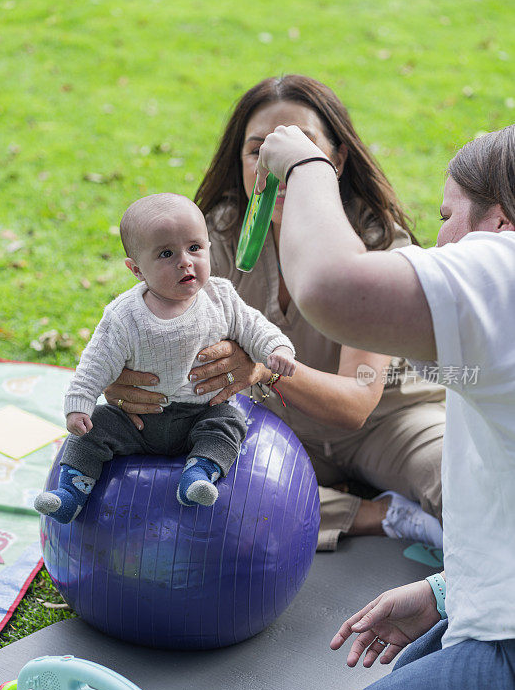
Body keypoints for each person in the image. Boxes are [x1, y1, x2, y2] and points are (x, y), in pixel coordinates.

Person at [255, 122, 515, 690]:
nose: (442, 239)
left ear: (501, 226)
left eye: (448, 216)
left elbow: (332, 287)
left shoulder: (505, 267)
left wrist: (306, 164)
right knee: (407, 674)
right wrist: (451, 592)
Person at [104, 76, 445, 550]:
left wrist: (262, 369)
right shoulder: (211, 241)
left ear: (336, 161)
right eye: (257, 150)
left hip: (392, 420)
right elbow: (141, 335)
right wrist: (121, 380)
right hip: (276, 426)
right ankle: (377, 514)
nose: (274, 166)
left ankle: (333, 504)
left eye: (297, 148)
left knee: (469, 485)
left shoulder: (376, 245)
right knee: (196, 488)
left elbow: (355, 404)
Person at [34, 193, 295, 523]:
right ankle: (70, 493)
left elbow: (255, 326)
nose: (185, 261)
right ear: (136, 269)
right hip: (137, 420)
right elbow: (96, 362)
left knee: (230, 422)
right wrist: (79, 403)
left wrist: (276, 349)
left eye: (194, 248)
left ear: (208, 248)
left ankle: (199, 475)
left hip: (201, 413)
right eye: (166, 253)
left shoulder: (221, 297)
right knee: (94, 428)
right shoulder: (125, 316)